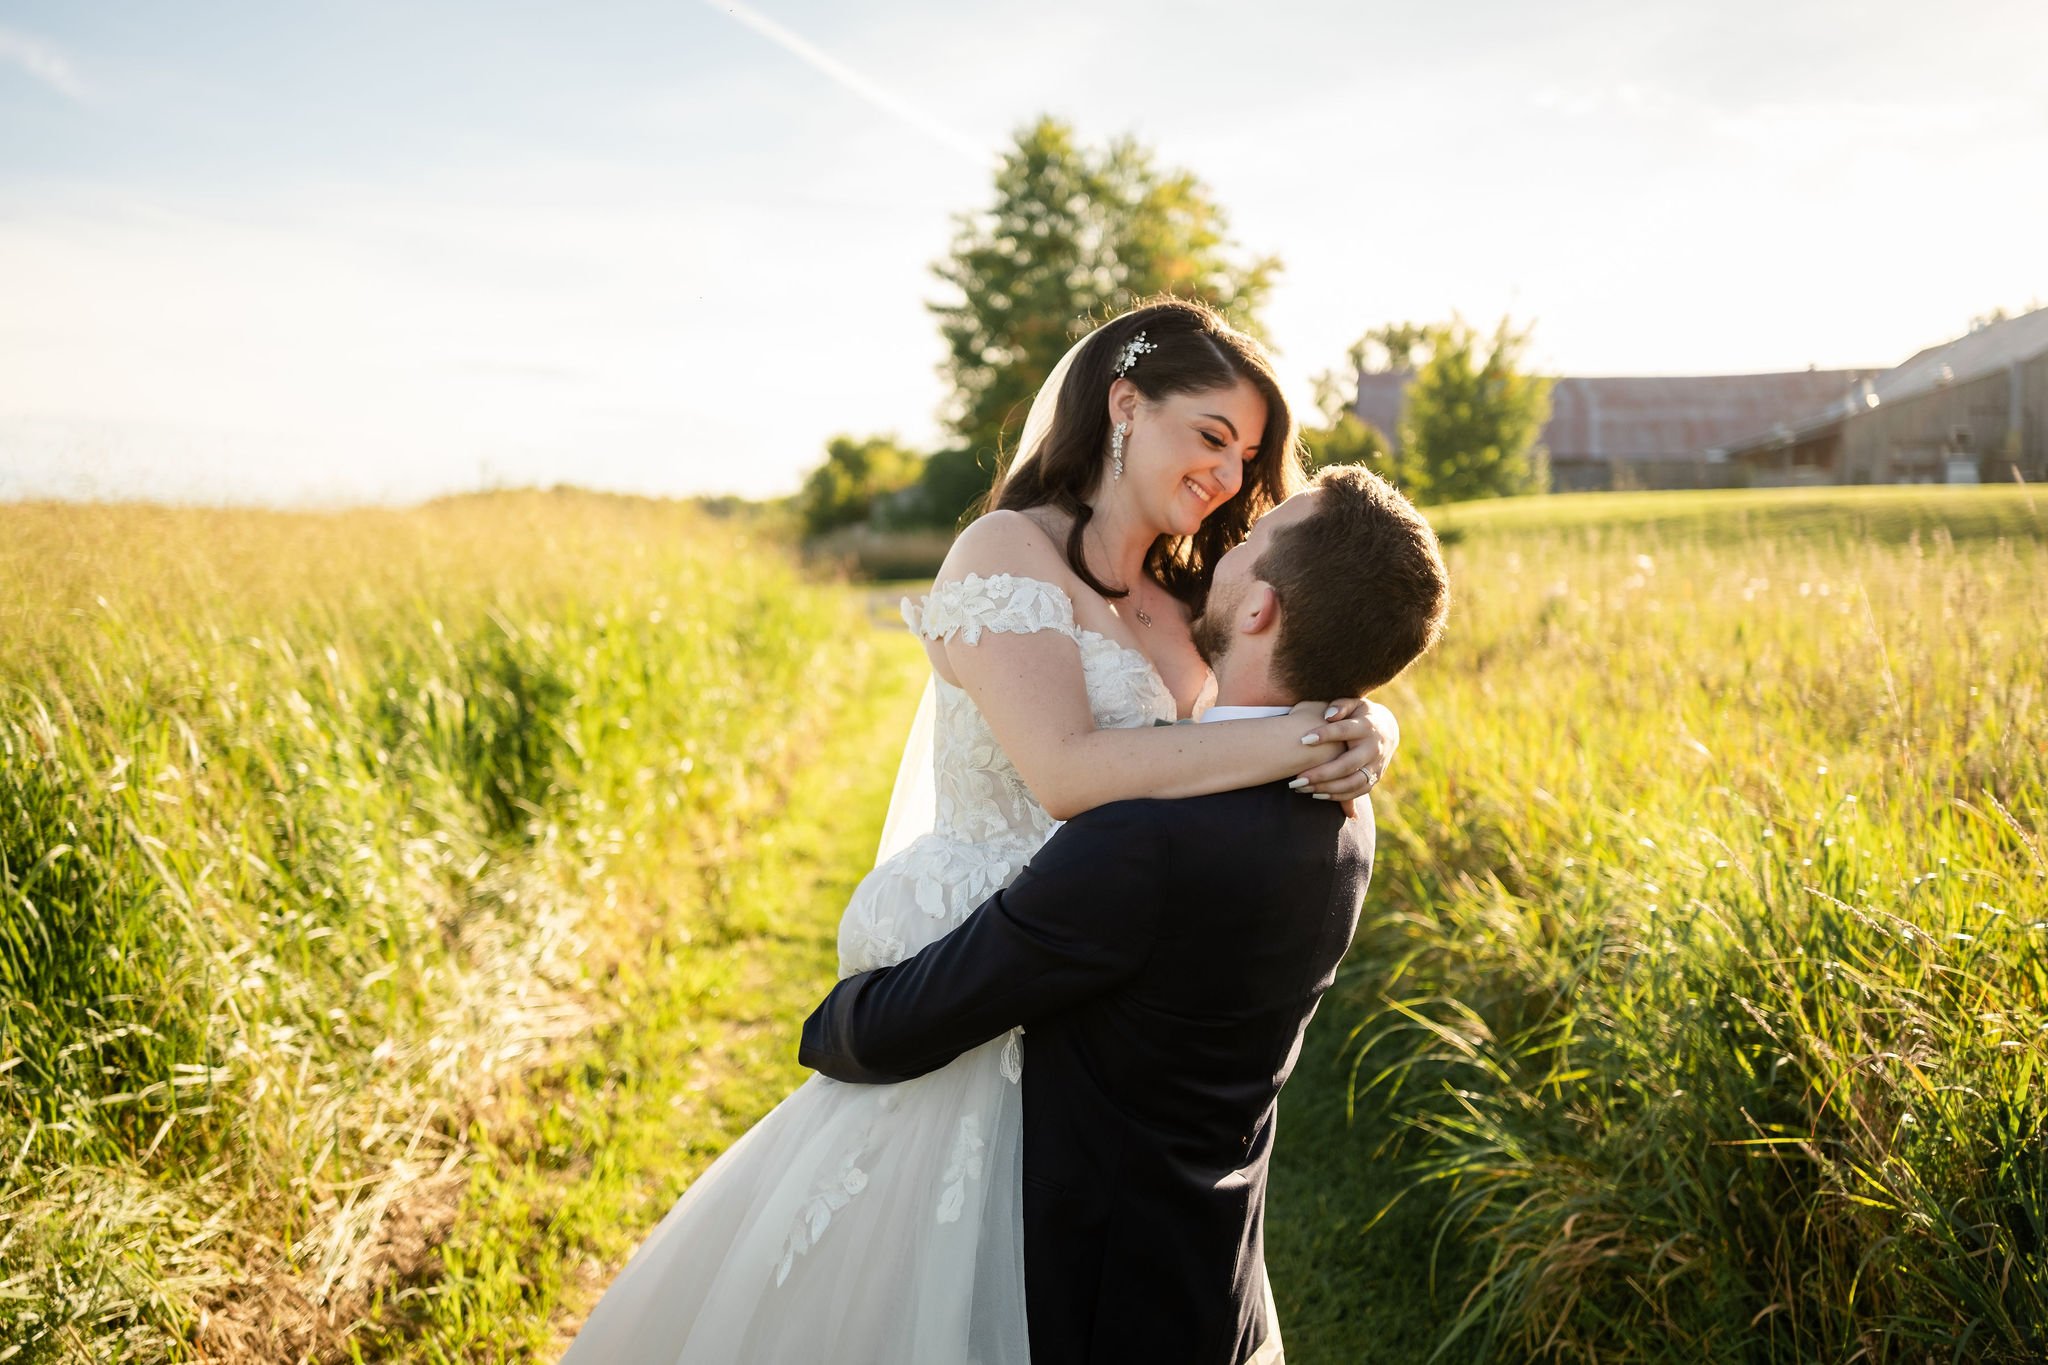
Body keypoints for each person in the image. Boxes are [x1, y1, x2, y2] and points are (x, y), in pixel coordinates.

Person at [558, 299, 1398, 1363]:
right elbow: (1062, 772)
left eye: (1248, 456)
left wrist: (1360, 719)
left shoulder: (1186, 591)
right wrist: (1300, 740)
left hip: (1109, 990)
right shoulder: (1005, 550)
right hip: (986, 962)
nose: (1229, 477)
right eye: (1211, 436)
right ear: (1124, 404)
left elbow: (1242, 702)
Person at [802, 464, 1451, 1364]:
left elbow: (906, 1024)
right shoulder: (1347, 811)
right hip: (1213, 1271)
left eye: (1252, 545)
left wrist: (831, 1021)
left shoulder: (1142, 841)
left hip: (1094, 1296)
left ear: (1260, 609)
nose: (1226, 545)